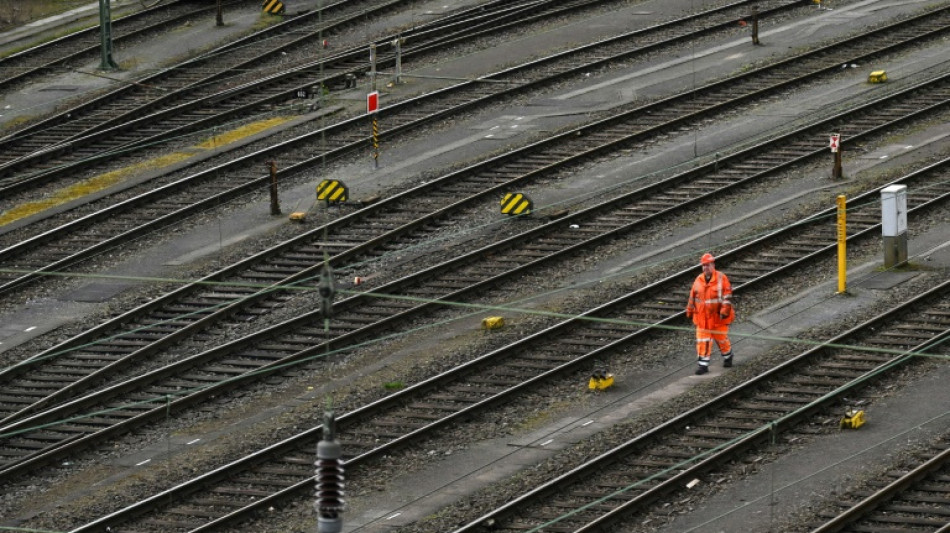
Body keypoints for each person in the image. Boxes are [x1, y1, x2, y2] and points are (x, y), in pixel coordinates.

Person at [685, 253, 735, 375]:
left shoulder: (721, 278)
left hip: (717, 318)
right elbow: (692, 297)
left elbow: (727, 296)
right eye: (704, 265)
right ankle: (703, 366)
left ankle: (728, 356)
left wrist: (724, 311)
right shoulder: (698, 280)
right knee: (703, 341)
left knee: (722, 340)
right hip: (702, 318)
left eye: (707, 265)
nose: (705, 268)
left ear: (713, 265)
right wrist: (689, 311)